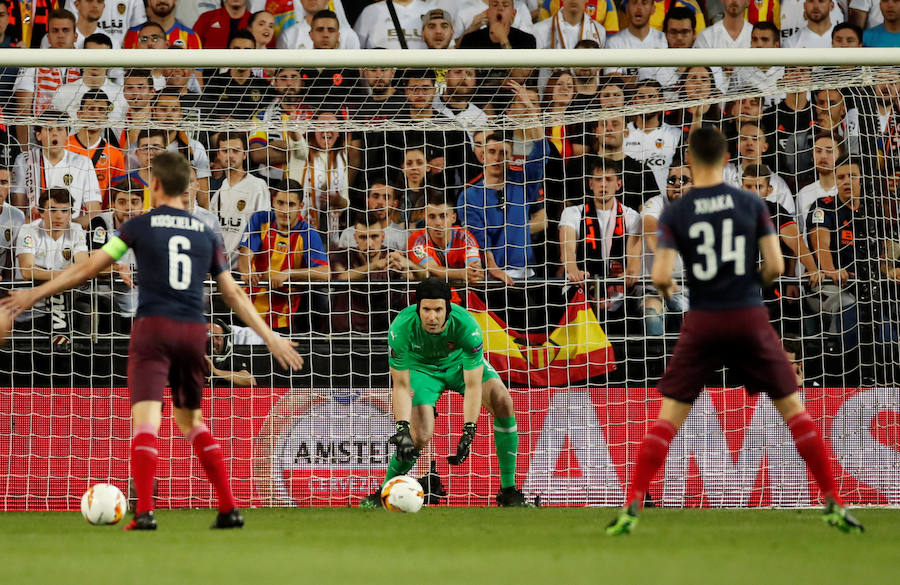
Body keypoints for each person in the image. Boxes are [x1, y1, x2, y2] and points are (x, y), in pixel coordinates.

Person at [2, 151, 305, 530]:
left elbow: (87, 268)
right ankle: (229, 507)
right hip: (194, 331)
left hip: (152, 329)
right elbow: (232, 294)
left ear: (155, 185)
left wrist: (33, 294)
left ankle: (144, 512)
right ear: (188, 188)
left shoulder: (139, 226)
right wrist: (270, 336)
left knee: (145, 420)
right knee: (192, 420)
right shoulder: (207, 233)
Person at [605, 127, 864, 536]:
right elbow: (777, 267)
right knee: (794, 411)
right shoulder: (749, 201)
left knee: (668, 418)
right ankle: (834, 503)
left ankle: (632, 506)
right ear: (727, 160)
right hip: (747, 314)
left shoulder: (676, 211)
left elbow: (658, 274)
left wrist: (675, 287)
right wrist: (748, 284)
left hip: (703, 318)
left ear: (689, 161)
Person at [359, 277, 536, 508]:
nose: (432, 317)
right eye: (426, 309)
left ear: (448, 308)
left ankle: (509, 491)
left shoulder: (467, 327)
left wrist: (469, 429)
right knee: (418, 436)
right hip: (422, 370)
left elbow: (473, 385)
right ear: (417, 307)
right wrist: (402, 427)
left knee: (502, 401)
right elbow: (401, 385)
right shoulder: (400, 329)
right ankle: (382, 493)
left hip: (460, 365)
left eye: (438, 309)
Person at [237, 178, 330, 333]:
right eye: (280, 203)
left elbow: (325, 272)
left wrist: (288, 274)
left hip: (282, 318)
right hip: (246, 311)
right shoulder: (260, 220)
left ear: (301, 206)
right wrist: (247, 271)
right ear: (273, 202)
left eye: (291, 204)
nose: (284, 210)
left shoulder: (307, 233)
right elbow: (245, 254)